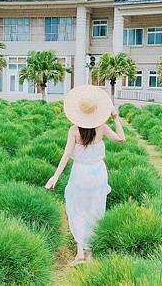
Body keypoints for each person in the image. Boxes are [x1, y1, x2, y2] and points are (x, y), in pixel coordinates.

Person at [45, 85, 125, 265]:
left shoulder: (74, 130)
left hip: (80, 175)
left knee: (77, 210)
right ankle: (91, 253)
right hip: (97, 175)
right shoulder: (102, 127)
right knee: (95, 210)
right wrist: (116, 118)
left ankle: (80, 252)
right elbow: (121, 138)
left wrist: (55, 176)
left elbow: (66, 155)